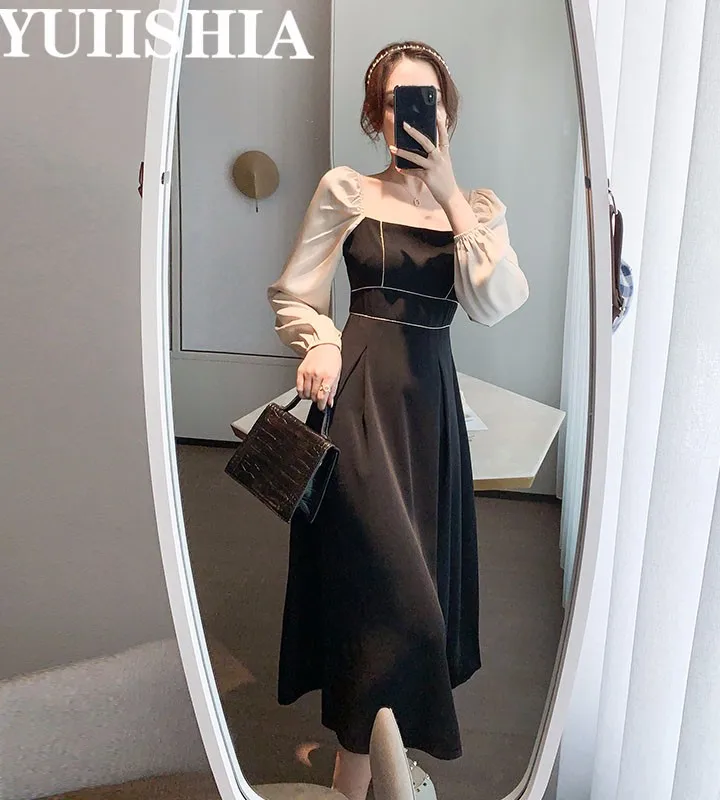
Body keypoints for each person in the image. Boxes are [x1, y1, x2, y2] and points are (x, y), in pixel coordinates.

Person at [267, 40, 529, 800]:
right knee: (396, 602)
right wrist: (319, 340)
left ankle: (363, 772)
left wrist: (449, 193)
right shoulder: (347, 191)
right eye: (393, 102)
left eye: (425, 101)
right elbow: (295, 291)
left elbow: (495, 303)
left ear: (447, 113)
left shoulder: (478, 211)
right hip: (357, 406)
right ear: (375, 116)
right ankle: (372, 771)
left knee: (398, 606)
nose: (408, 115)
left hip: (430, 414)